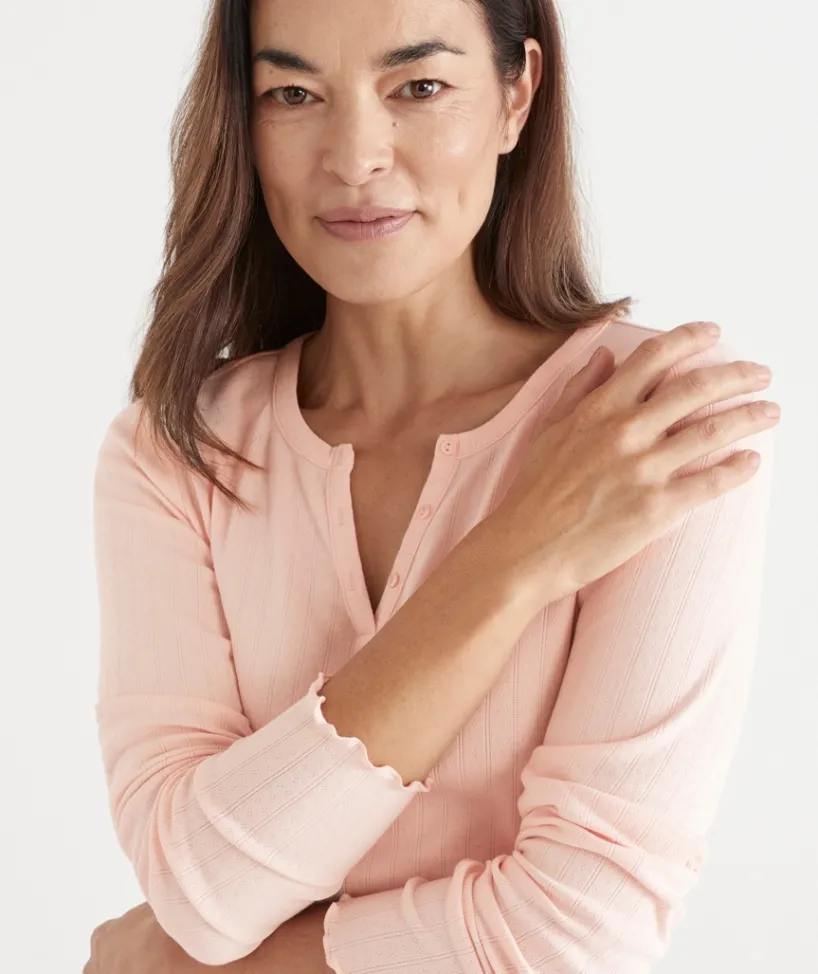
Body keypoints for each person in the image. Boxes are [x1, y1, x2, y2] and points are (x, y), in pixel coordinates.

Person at [88, 1, 781, 971]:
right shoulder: (177, 453)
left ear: (516, 95)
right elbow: (199, 887)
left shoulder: (646, 428)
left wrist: (183, 966)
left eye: (417, 86)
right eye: (292, 94)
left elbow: (579, 933)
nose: (354, 157)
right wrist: (516, 557)